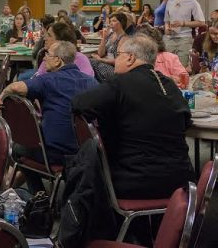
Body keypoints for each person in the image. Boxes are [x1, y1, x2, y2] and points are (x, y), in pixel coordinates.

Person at [72, 34, 194, 199]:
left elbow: (79, 104)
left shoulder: (120, 83)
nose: (115, 60)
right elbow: (185, 121)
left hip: (135, 180)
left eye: (118, 55)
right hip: (181, 181)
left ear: (130, 58)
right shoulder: (169, 84)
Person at [0, 41, 97, 192]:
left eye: (48, 55)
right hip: (87, 153)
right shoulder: (92, 82)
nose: (44, 58)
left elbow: (16, 87)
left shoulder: (48, 80)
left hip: (54, 153)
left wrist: (2, 95)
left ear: (58, 60)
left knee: (16, 149)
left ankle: (39, 194)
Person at [164, 0, 205, 67]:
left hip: (185, 38)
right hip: (170, 38)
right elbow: (166, 20)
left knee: (181, 67)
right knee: (168, 67)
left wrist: (183, 23)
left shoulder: (192, 2)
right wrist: (167, 28)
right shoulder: (170, 2)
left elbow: (201, 22)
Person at [90, 12, 128, 81]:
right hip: (105, 63)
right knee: (90, 61)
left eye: (114, 21)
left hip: (114, 68)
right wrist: (104, 38)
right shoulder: (110, 35)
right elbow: (100, 53)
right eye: (110, 21)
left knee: (93, 63)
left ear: (121, 23)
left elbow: (119, 61)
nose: (111, 23)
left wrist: (100, 59)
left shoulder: (124, 38)